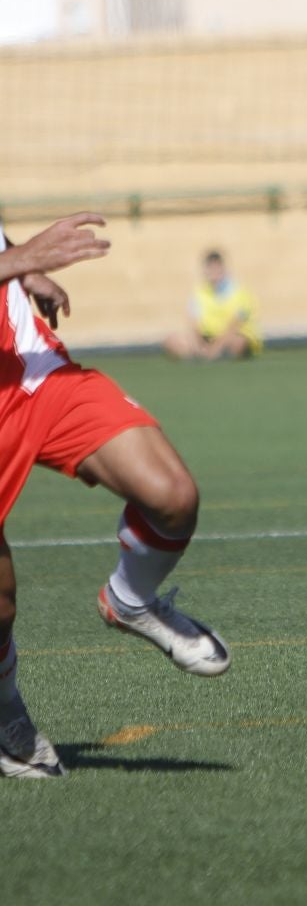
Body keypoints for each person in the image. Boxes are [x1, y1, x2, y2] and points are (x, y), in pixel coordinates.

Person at [1, 214, 231, 780]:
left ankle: (131, 598)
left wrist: (20, 273)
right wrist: (18, 260)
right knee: (1, 602)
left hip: (35, 374)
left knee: (172, 495)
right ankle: (7, 721)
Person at [163, 250, 262, 361]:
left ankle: (217, 355)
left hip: (230, 338)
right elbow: (194, 322)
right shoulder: (199, 293)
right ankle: (201, 356)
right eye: (210, 268)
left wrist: (215, 348)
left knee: (239, 343)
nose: (213, 272)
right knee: (171, 341)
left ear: (223, 269)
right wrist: (199, 344)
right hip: (207, 337)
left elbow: (234, 325)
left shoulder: (239, 292)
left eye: (216, 268)